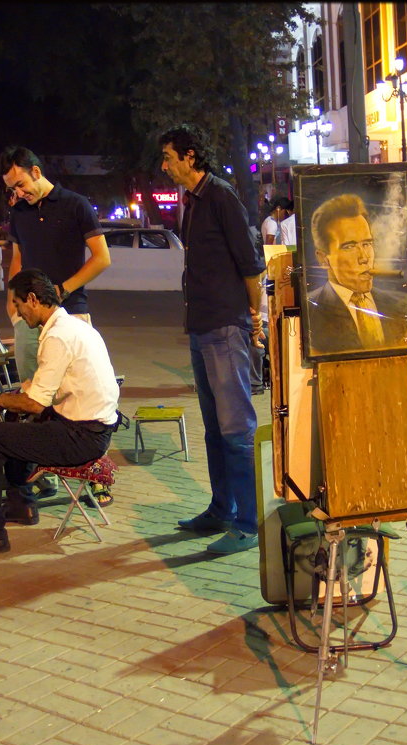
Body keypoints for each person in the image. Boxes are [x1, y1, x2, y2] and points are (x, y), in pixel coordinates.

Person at [0, 270, 120, 555]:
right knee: (14, 421)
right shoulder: (74, 326)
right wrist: (10, 401)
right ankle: (19, 504)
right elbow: (42, 393)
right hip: (93, 427)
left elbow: (36, 403)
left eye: (18, 305)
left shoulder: (58, 336)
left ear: (33, 300)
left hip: (82, 437)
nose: (19, 314)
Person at [159, 124, 264, 555]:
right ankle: (221, 508)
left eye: (167, 157)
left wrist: (254, 316)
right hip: (202, 328)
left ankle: (247, 524)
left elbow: (251, 264)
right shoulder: (194, 201)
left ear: (189, 156)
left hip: (225, 327)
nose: (164, 166)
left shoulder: (220, 195)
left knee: (236, 429)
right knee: (213, 429)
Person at [0, 145, 112, 506]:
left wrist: (63, 290)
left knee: (78, 399)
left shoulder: (76, 204)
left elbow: (102, 258)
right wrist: (12, 305)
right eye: (11, 189)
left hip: (71, 312)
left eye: (19, 184)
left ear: (36, 171)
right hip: (27, 317)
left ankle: (96, 476)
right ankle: (39, 471)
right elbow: (16, 261)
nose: (17, 193)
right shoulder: (19, 211)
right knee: (32, 398)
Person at [305, 193, 407, 354]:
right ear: (323, 259)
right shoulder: (309, 312)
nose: (364, 258)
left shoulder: (403, 306)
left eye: (367, 244)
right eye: (349, 246)